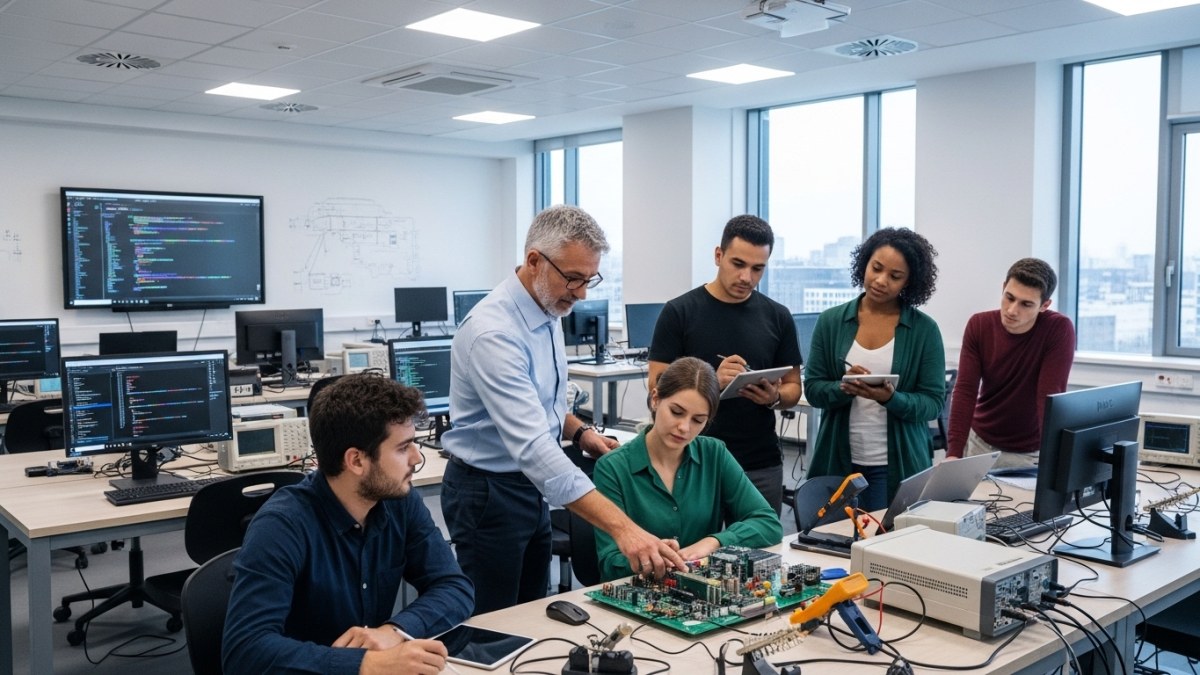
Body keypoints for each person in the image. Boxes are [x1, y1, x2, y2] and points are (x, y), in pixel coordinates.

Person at [441, 205, 686, 615]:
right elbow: (534, 447)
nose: (581, 293)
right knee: (492, 621)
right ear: (534, 260)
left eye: (589, 279)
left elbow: (540, 402)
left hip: (527, 487)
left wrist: (579, 432)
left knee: (531, 612)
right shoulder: (494, 334)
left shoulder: (546, 304)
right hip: (488, 491)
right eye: (573, 278)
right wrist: (624, 530)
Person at [223, 373, 474, 675]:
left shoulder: (399, 502)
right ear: (356, 461)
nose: (416, 457)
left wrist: (394, 631)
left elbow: (454, 587)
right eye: (402, 447)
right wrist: (366, 664)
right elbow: (245, 651)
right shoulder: (281, 526)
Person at [648, 215, 802, 514]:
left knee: (762, 554)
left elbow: (794, 386)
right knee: (694, 555)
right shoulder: (679, 312)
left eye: (758, 269)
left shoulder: (778, 316)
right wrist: (709, 382)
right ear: (718, 256)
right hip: (692, 459)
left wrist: (774, 398)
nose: (747, 277)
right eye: (738, 264)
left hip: (759, 461)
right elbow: (656, 384)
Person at [593, 357, 783, 581]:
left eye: (698, 420)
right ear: (655, 399)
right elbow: (610, 563)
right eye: (676, 412)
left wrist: (714, 542)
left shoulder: (714, 454)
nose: (684, 427)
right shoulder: (612, 468)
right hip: (639, 595)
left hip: (701, 596)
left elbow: (768, 523)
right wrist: (651, 556)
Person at [804, 227, 946, 512]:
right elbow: (814, 389)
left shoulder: (924, 329)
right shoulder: (831, 321)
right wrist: (843, 386)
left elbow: (932, 403)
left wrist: (890, 398)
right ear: (864, 263)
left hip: (898, 463)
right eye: (876, 268)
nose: (881, 281)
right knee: (833, 544)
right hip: (839, 460)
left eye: (895, 277)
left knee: (889, 545)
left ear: (910, 282)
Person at [947, 258, 1075, 469]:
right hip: (980, 444)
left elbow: (1049, 397)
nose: (1012, 310)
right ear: (1003, 287)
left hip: (1029, 452)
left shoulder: (1058, 330)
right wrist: (954, 453)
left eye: (1026, 304)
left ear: (1044, 305)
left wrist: (1052, 460)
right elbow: (965, 390)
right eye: (1009, 297)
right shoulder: (979, 325)